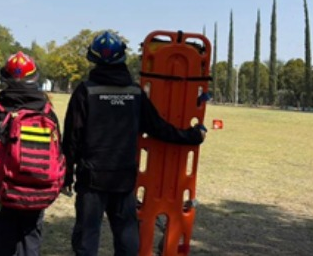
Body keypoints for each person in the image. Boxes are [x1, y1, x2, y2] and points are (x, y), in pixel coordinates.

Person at [62, 31, 207, 256]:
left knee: (87, 236)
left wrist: (66, 174)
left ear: (94, 59)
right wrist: (193, 135)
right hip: (124, 177)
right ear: (122, 58)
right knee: (126, 236)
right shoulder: (135, 93)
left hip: (92, 179)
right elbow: (158, 128)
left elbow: (72, 137)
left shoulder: (85, 92)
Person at [0, 51, 60, 256]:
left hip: (1, 191)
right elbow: (58, 153)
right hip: (37, 190)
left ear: (6, 80)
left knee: (1, 242)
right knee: (30, 241)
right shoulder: (47, 112)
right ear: (34, 78)